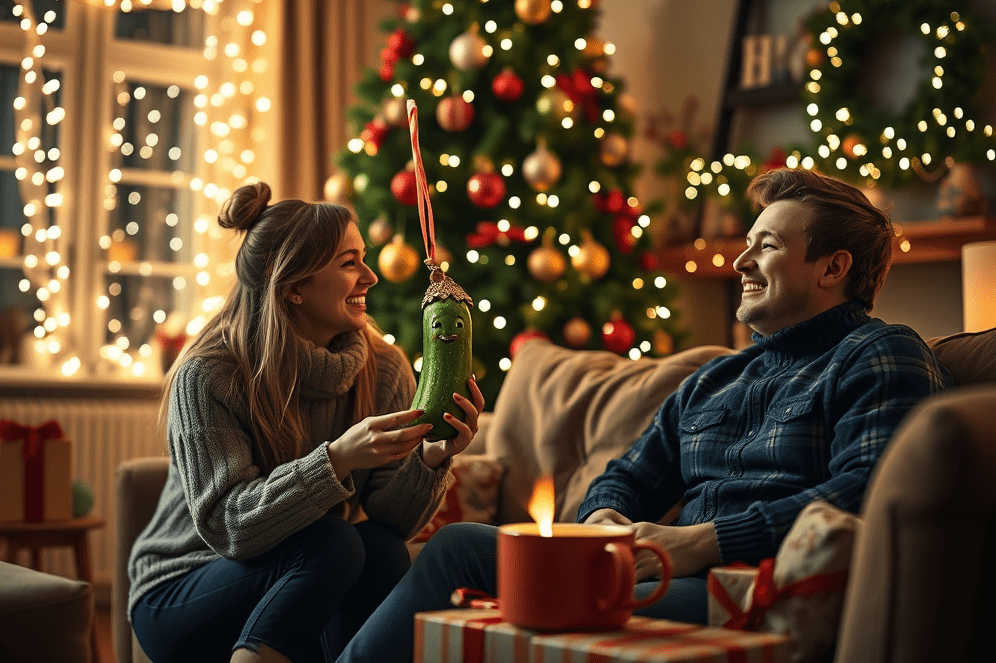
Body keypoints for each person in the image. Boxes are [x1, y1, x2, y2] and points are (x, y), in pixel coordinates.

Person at [335, 168, 953, 663]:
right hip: (660, 574)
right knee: (457, 548)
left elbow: (872, 489)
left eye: (766, 247)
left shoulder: (880, 353)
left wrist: (703, 542)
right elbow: (626, 476)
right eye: (746, 244)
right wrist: (602, 519)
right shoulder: (715, 380)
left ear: (833, 268)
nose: (740, 262)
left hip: (746, 591)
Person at [127, 182, 484, 663]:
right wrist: (337, 459)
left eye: (364, 258)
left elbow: (393, 521)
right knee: (332, 541)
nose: (371, 277)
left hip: (298, 584)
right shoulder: (211, 374)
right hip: (183, 590)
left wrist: (430, 458)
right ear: (293, 287)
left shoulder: (385, 369)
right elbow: (229, 527)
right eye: (349, 263)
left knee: (380, 547)